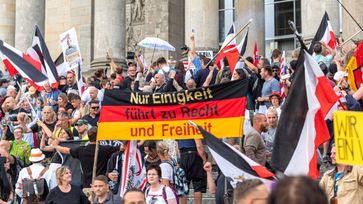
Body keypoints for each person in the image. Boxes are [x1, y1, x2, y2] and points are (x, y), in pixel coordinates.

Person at [53, 127, 118, 188]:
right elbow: (122, 148)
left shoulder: (81, 150)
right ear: (99, 137)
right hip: (101, 186)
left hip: (87, 186)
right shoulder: (105, 149)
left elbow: (66, 150)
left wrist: (55, 146)